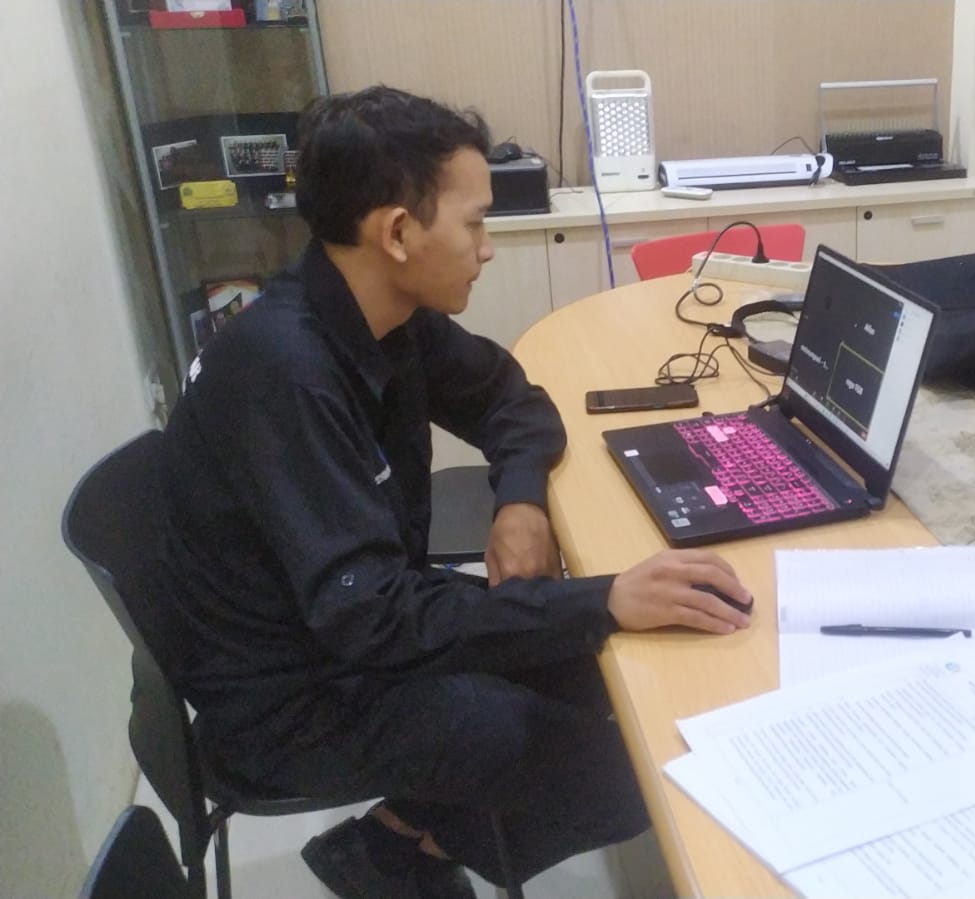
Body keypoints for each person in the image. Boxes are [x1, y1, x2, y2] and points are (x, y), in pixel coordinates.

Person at [152, 85, 753, 899]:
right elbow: (374, 617)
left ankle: (397, 841)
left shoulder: (384, 313)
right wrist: (604, 596)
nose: (487, 247)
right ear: (398, 232)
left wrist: (521, 500)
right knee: (630, 774)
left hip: (352, 626)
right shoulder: (284, 373)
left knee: (606, 668)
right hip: (288, 697)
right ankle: (402, 851)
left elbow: (512, 399)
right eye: (473, 224)